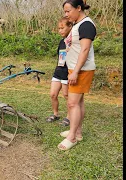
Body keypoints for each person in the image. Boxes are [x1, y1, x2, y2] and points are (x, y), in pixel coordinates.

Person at [58, 0, 96, 150]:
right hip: (74, 69)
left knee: (72, 103)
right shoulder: (78, 25)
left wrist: (75, 72)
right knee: (78, 103)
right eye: (65, 12)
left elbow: (85, 50)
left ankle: (72, 137)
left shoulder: (86, 25)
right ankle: (77, 132)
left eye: (68, 11)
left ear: (79, 8)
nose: (66, 15)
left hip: (81, 70)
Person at [46, 17, 73, 126]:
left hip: (68, 73)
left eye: (62, 28)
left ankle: (69, 116)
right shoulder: (62, 41)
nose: (60, 31)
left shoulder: (74, 41)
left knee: (66, 95)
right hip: (58, 71)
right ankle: (55, 114)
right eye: (59, 28)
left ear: (70, 27)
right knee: (53, 94)